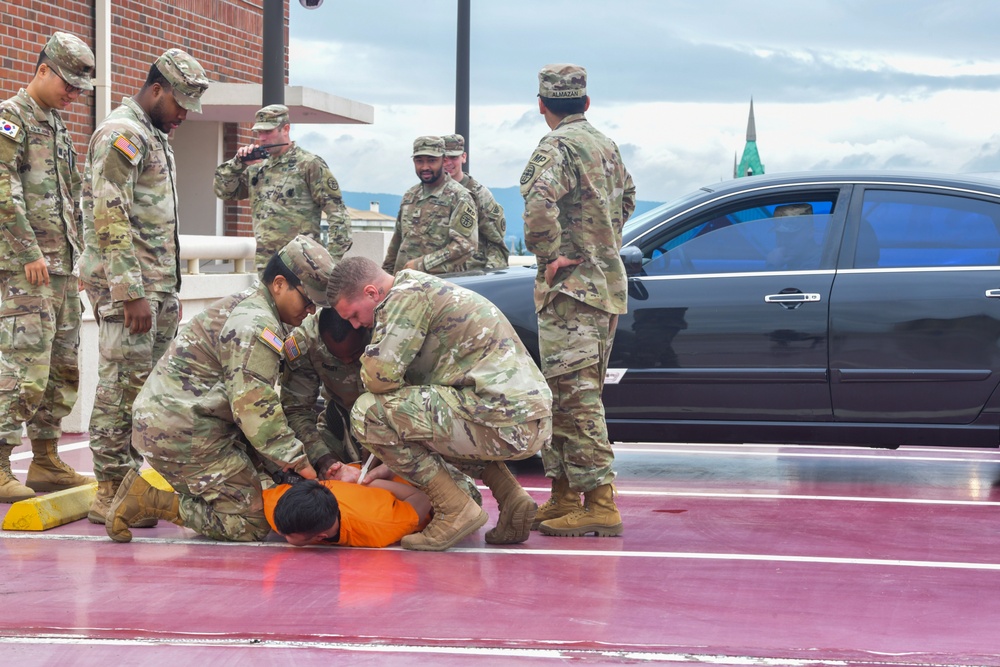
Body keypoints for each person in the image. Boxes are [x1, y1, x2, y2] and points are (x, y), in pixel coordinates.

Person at [105, 236, 334, 544]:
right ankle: (147, 499)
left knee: (268, 482)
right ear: (279, 283)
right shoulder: (255, 324)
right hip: (182, 432)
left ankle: (205, 491)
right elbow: (255, 406)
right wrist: (299, 462)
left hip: (195, 422)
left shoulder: (257, 306)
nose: (310, 310)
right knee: (250, 521)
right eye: (307, 301)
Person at [328, 256, 552, 551]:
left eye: (354, 315)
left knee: (367, 412)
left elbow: (378, 377)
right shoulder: (421, 288)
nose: (358, 325)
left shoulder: (404, 296)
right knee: (425, 423)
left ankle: (455, 509)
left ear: (372, 293)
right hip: (523, 420)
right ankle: (511, 497)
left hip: (503, 417)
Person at [78, 48, 210, 524]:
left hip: (157, 289)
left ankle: (133, 486)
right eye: (180, 105)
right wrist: (129, 291)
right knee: (118, 390)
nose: (183, 116)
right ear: (157, 90)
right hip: (131, 292)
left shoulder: (154, 134)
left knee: (146, 392)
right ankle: (109, 490)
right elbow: (108, 212)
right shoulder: (123, 133)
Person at [520, 64, 636, 537]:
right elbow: (627, 197)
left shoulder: (557, 146)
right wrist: (601, 242)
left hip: (572, 292)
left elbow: (537, 205)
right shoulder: (604, 144)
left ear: (542, 104)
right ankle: (566, 494)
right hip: (603, 287)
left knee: (577, 398)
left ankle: (600, 504)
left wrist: (552, 255)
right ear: (585, 103)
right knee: (569, 395)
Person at [0, 32, 96, 502]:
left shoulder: (57, 127)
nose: (73, 95)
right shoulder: (10, 119)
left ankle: (45, 460)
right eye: (69, 84)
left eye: (80, 90)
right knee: (21, 370)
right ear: (42, 70)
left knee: (61, 371)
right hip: (26, 271)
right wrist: (28, 252)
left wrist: (75, 260)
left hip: (60, 271)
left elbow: (70, 202)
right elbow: (3, 189)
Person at [213, 104, 352, 271]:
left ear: (285, 129)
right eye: (260, 133)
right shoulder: (257, 167)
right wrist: (238, 163)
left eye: (268, 132)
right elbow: (224, 191)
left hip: (302, 266)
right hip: (266, 266)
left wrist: (330, 261)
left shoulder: (308, 164)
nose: (262, 138)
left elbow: (338, 213)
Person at [280, 307, 368, 473]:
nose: (348, 361)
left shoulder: (385, 328)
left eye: (355, 353)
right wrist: (322, 457)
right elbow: (296, 410)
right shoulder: (305, 341)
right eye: (338, 358)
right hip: (341, 421)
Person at [381, 136, 478, 275]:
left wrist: (422, 264)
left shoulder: (459, 196)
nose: (425, 167)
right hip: (405, 286)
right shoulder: (410, 195)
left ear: (443, 160)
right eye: (419, 161)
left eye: (431, 161)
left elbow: (466, 246)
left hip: (440, 288)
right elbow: (397, 243)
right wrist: (386, 276)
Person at [264, 474, 431, 548]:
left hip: (405, 482)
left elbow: (423, 497)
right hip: (349, 475)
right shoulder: (276, 506)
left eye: (287, 535)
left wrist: (362, 480)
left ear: (320, 537)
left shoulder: (380, 526)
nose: (279, 531)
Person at [442, 133, 510, 270]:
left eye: (453, 157)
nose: (448, 163)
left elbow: (496, 244)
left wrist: (488, 276)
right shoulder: (430, 193)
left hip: (470, 276)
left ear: (463, 157)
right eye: (443, 158)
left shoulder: (479, 194)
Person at [765, 203, 822, 270]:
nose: (783, 242)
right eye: (779, 235)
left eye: (790, 236)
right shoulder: (796, 260)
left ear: (810, 232)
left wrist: (772, 266)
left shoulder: (819, 264)